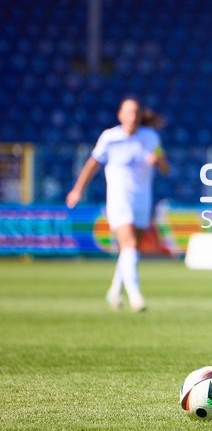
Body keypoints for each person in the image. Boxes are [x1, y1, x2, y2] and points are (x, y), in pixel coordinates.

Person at [66, 97, 169, 313]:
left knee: (130, 249)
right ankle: (135, 296)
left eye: (136, 112)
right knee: (129, 243)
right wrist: (77, 190)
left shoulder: (150, 137)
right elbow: (92, 165)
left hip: (142, 200)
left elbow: (165, 168)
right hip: (119, 200)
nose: (132, 116)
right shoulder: (110, 137)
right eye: (128, 112)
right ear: (120, 115)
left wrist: (157, 161)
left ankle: (114, 291)